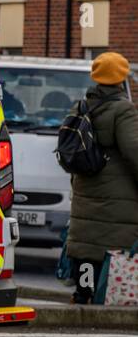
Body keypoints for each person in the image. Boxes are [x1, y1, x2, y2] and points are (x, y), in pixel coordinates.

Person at [65, 52, 138, 303]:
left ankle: (83, 293)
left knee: (86, 247)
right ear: (121, 77)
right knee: (111, 250)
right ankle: (105, 296)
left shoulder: (82, 106)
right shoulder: (122, 110)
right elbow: (134, 150)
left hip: (86, 186)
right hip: (117, 195)